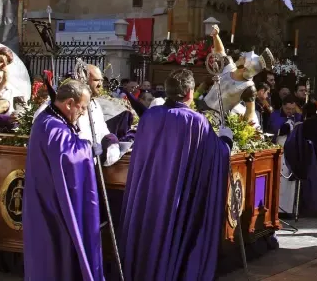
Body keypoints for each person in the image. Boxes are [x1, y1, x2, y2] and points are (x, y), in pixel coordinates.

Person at [119, 69, 233, 281]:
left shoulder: (150, 116)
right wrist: (226, 141)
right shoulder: (196, 122)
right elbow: (216, 156)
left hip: (149, 193)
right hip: (177, 198)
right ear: (189, 93)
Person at [23, 80, 104, 281]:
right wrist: (90, 148)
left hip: (49, 199)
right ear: (69, 103)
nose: (84, 112)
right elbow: (70, 157)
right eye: (82, 107)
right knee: (56, 253)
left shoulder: (51, 119)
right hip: (52, 205)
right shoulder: (54, 127)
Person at [32, 64, 126, 166]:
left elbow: (102, 130)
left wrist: (110, 142)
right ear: (84, 80)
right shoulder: (54, 107)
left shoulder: (95, 105)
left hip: (88, 164)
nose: (100, 84)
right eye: (96, 80)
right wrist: (87, 150)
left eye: (102, 80)